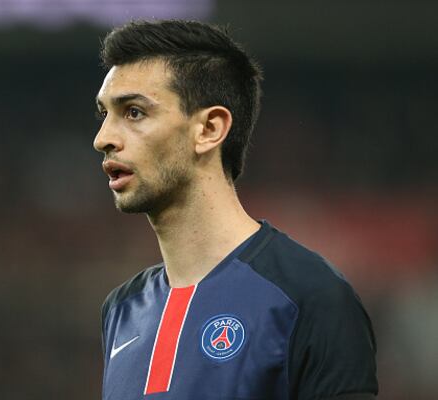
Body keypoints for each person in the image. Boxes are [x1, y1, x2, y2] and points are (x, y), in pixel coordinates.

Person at [93, 19, 378, 400]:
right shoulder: (121, 309)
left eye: (133, 112)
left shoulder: (310, 296)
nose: (103, 139)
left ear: (210, 129)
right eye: (104, 115)